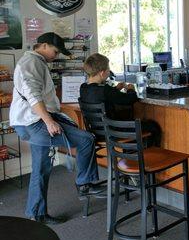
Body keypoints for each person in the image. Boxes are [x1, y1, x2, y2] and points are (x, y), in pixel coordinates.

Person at [10, 32, 103, 225]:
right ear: (43, 46)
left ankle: (37, 213)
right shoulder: (31, 63)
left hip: (32, 121)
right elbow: (33, 95)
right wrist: (49, 121)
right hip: (35, 122)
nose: (56, 54)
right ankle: (84, 183)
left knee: (40, 168)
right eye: (55, 50)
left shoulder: (36, 63)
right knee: (86, 139)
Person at [79, 53, 160, 146]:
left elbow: (99, 95)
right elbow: (130, 99)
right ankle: (150, 157)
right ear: (102, 73)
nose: (109, 71)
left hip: (96, 132)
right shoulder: (105, 90)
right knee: (153, 126)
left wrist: (116, 89)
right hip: (114, 131)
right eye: (108, 69)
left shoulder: (83, 88)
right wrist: (130, 89)